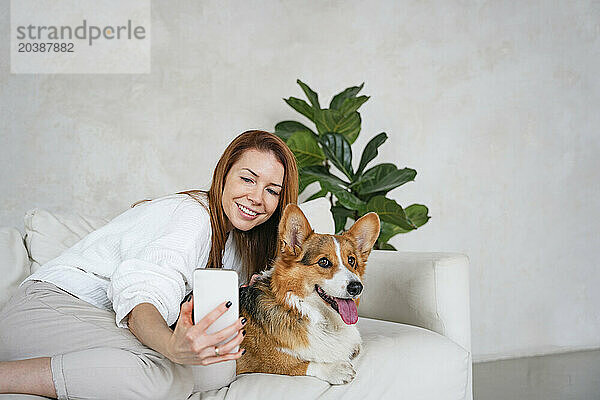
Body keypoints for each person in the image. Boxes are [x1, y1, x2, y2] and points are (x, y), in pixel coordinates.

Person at [0, 130, 299, 399]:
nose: (257, 197)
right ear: (224, 175)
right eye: (247, 179)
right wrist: (171, 347)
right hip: (47, 309)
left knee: (218, 368)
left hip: (91, 320)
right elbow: (143, 293)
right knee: (162, 373)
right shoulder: (192, 216)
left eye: (272, 190)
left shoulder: (238, 244)